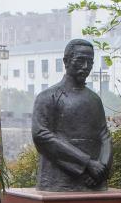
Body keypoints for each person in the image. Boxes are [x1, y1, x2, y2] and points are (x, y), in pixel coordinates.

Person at [31, 38, 112, 191]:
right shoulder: (47, 97)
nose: (86, 67)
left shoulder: (94, 100)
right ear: (66, 61)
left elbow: (104, 136)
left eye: (90, 62)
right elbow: (41, 136)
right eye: (80, 60)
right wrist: (87, 164)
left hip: (93, 181)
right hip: (57, 181)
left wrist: (102, 168)